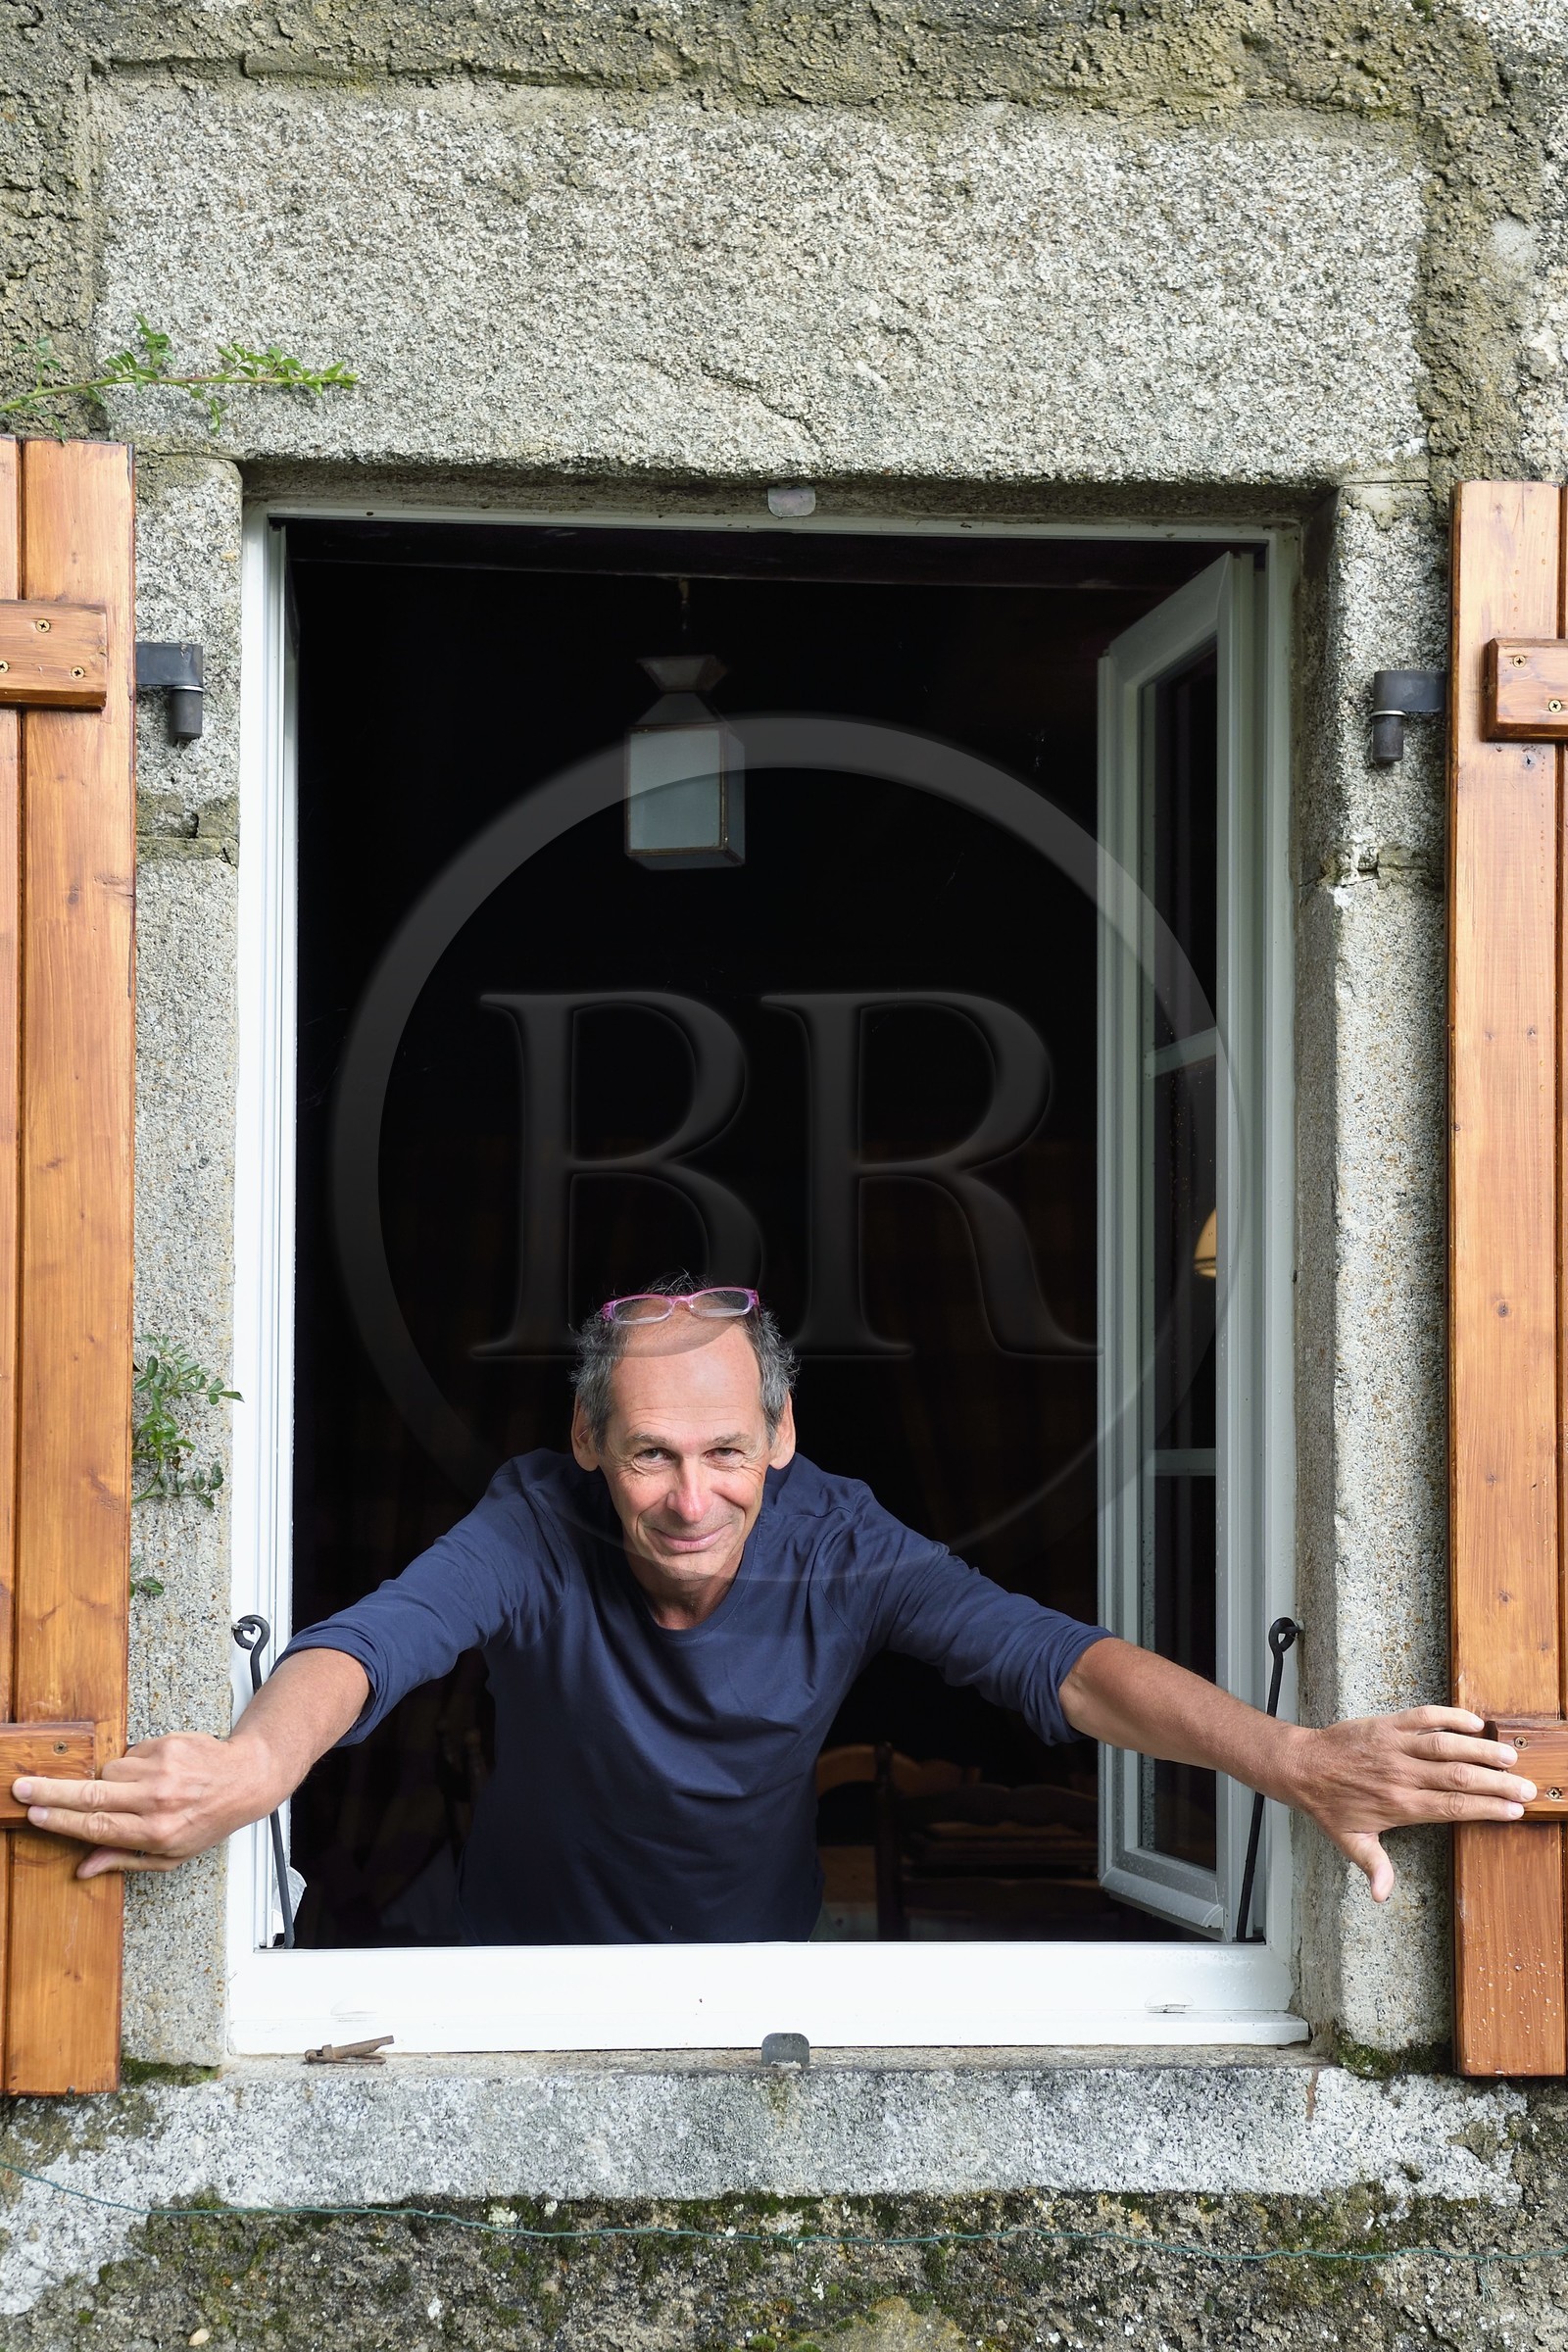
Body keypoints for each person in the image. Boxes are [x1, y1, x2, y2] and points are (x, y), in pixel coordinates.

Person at [15, 1281, 1536, 1939]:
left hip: (762, 1965)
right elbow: (370, 1647)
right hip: (520, 1970)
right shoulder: (532, 1521)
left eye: (728, 1451)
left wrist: (1292, 1759)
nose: (692, 1497)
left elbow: (1060, 1665)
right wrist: (255, 1768)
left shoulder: (839, 1536)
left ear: (782, 1443)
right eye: (654, 1455)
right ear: (591, 1446)